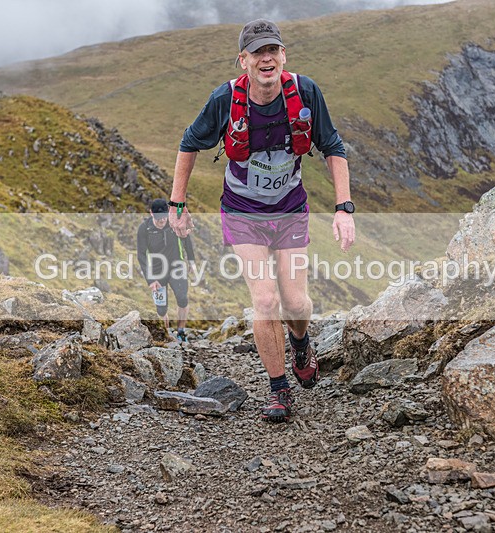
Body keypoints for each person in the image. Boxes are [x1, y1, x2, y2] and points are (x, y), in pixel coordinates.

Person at [167, 19, 356, 422]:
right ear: (244, 61)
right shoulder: (225, 100)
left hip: (290, 211)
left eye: (273, 50)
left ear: (283, 56)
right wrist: (177, 204)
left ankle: (301, 343)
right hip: (243, 212)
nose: (266, 58)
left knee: (295, 302)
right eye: (257, 53)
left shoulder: (305, 92)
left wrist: (344, 208)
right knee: (266, 299)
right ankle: (278, 389)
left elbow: (333, 146)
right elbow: (189, 142)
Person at [137, 198, 195, 342]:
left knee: (182, 299)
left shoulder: (174, 221)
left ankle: (181, 332)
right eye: (158, 218)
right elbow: (141, 256)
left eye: (164, 216)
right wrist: (150, 280)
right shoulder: (144, 228)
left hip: (177, 267)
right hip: (157, 272)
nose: (162, 220)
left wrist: (192, 260)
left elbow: (186, 238)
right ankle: (167, 335)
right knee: (161, 309)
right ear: (151, 213)